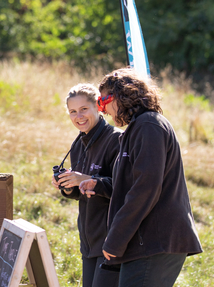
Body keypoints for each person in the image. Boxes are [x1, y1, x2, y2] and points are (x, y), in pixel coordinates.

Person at [80, 68, 202, 287]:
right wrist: (100, 185)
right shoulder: (139, 127)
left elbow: (145, 189)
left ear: (119, 96)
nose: (103, 111)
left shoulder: (148, 126)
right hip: (147, 243)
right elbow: (131, 185)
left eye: (102, 102)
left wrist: (115, 238)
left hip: (156, 242)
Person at [52, 83, 122, 287]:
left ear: (98, 107)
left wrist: (86, 179)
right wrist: (67, 185)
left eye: (84, 109)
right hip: (89, 240)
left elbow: (126, 188)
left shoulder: (116, 139)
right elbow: (81, 192)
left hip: (112, 240)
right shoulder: (78, 143)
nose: (78, 116)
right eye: (73, 112)